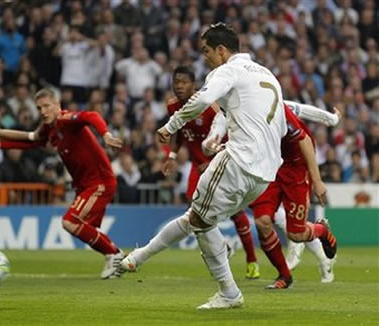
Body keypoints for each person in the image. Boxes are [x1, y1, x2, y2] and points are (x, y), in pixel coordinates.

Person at [123, 23, 287, 309]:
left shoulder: (227, 70)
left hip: (239, 161)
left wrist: (171, 124)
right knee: (196, 218)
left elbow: (202, 99)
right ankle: (140, 257)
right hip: (264, 172)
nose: (205, 58)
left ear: (222, 51)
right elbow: (275, 125)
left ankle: (229, 292)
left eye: (206, 51)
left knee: (199, 221)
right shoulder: (268, 75)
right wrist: (217, 138)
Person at [126, 65, 261, 280]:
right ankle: (222, 247)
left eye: (183, 82)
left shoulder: (209, 106)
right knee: (195, 209)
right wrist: (171, 156)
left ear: (193, 85)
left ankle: (252, 260)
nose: (178, 86)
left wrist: (213, 160)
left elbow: (226, 135)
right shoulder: (173, 107)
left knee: (234, 213)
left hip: (220, 162)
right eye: (175, 82)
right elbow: (179, 133)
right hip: (197, 166)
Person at [0, 88, 126, 279]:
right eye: (39, 108)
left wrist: (105, 134)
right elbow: (32, 140)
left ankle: (114, 254)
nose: (43, 111)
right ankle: (116, 258)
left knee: (70, 221)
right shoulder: (49, 129)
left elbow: (91, 115)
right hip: (85, 186)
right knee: (83, 227)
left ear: (57, 105)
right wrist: (1, 144)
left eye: (47, 106)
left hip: (100, 181)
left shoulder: (65, 120)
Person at [249, 105, 338, 289]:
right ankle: (284, 275)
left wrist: (317, 180)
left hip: (296, 168)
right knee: (262, 221)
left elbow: (305, 128)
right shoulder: (242, 108)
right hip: (271, 166)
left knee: (296, 235)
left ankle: (321, 230)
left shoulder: (275, 106)